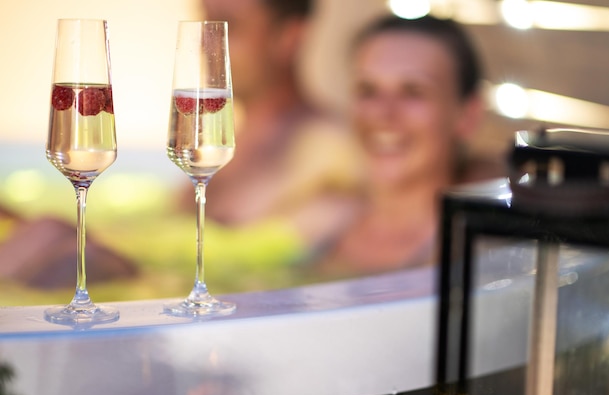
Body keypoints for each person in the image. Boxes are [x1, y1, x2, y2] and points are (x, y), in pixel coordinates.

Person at [311, 14, 490, 277]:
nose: (383, 114)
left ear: (468, 115)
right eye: (368, 90)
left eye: (413, 92)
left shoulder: (482, 258)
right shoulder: (319, 228)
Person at [196, 0, 363, 246]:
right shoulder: (224, 140)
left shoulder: (332, 154)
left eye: (228, 27)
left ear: (289, 37)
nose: (205, 45)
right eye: (206, 25)